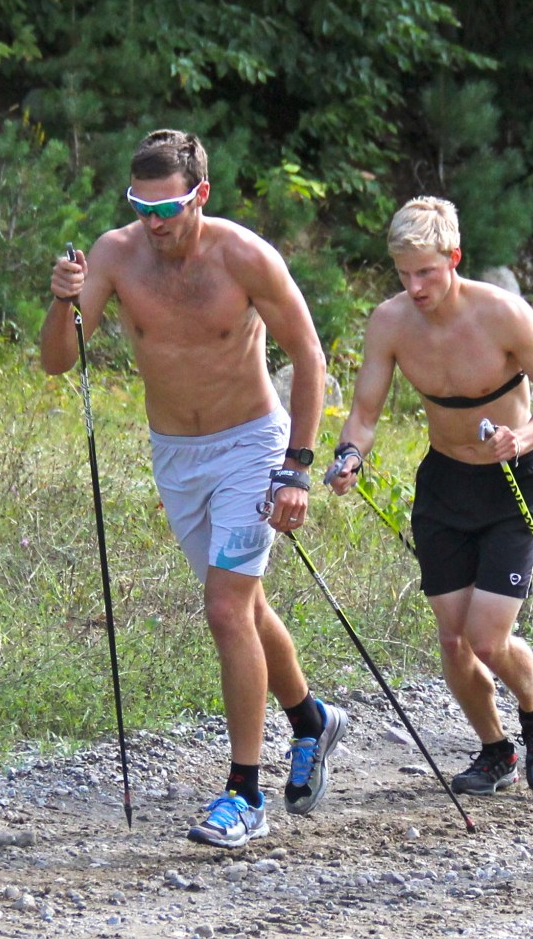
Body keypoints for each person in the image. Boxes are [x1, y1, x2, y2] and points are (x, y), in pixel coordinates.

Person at [42, 129, 347, 848]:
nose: (155, 222)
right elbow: (59, 362)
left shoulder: (243, 257)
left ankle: (245, 792)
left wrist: (296, 467)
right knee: (245, 604)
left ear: (200, 194)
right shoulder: (116, 254)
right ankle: (311, 719)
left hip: (251, 445)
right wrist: (62, 302)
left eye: (169, 207)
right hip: (176, 453)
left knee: (223, 608)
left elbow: (307, 352)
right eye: (141, 207)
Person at [327, 196, 533, 797]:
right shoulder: (390, 322)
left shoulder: (503, 315)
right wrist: (349, 456)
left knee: (488, 638)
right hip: (443, 485)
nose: (414, 286)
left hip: (511, 483)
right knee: (453, 639)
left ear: (454, 259)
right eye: (403, 273)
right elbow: (364, 411)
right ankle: (495, 751)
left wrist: (525, 438)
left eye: (426, 272)